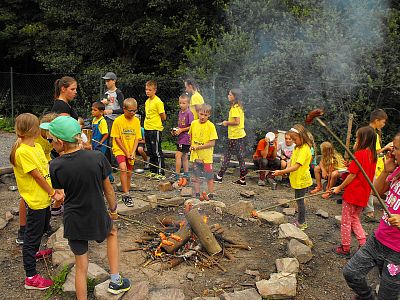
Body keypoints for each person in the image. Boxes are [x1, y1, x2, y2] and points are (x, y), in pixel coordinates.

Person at [44, 116, 131, 298]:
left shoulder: (55, 165)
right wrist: (113, 209)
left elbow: (60, 195)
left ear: (60, 142)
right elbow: (108, 190)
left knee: (81, 266)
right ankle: (116, 281)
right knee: (112, 232)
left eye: (50, 139)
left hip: (74, 219)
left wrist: (56, 204)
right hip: (97, 212)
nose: (50, 142)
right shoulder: (97, 157)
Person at [342, 132, 400, 300]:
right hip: (378, 240)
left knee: (387, 296)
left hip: (397, 252)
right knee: (351, 273)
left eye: (396, 149)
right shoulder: (396, 171)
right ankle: (368, 297)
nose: (392, 152)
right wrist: (385, 172)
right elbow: (378, 192)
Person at [10, 113, 64, 290]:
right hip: (35, 201)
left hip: (44, 198)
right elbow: (37, 176)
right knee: (31, 237)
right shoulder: (22, 151)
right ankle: (30, 277)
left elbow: (46, 168)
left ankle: (35, 253)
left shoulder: (37, 147)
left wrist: (55, 188)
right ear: (33, 129)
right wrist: (53, 193)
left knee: (41, 228)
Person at [332, 126, 377, 256]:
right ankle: (363, 244)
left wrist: (339, 187)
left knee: (346, 221)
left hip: (353, 194)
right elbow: (361, 170)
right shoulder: (372, 156)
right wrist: (350, 164)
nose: (355, 141)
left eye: (357, 138)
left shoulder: (360, 153)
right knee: (355, 218)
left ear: (363, 139)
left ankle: (345, 247)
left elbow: (352, 174)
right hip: (363, 194)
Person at [16, 112, 59, 245]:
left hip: (42, 165)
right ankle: (23, 230)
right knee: (27, 198)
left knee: (43, 200)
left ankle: (45, 226)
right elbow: (35, 174)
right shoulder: (34, 141)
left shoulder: (43, 143)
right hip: (32, 169)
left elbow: (47, 155)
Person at [272, 124, 313, 230]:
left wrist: (282, 172)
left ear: (302, 136)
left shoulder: (305, 149)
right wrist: (285, 170)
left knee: (300, 201)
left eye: (295, 139)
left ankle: (302, 222)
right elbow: (291, 161)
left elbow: (296, 166)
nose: (294, 141)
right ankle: (301, 220)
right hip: (296, 178)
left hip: (302, 179)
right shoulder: (297, 147)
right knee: (298, 200)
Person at [111, 98, 141, 207]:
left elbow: (137, 138)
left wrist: (132, 152)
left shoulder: (136, 121)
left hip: (131, 149)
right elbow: (117, 139)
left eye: (135, 111)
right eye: (130, 111)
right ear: (124, 109)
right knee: (123, 168)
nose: (133, 113)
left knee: (129, 173)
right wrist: (126, 152)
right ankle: (126, 194)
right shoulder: (118, 121)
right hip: (120, 149)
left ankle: (126, 192)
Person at [214, 89, 247, 185]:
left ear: (234, 97)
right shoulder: (238, 107)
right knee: (241, 158)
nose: (228, 96)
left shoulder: (234, 109)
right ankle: (242, 179)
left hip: (235, 136)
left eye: (230, 94)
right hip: (240, 135)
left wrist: (226, 123)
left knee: (227, 156)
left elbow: (237, 122)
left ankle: (219, 176)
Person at [365, 109, 392, 221]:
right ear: (377, 120)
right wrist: (386, 147)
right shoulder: (372, 134)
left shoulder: (367, 131)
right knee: (371, 187)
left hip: (371, 164)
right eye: (383, 121)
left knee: (370, 186)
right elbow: (373, 152)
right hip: (372, 165)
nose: (384, 124)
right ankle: (370, 212)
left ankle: (368, 210)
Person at [189, 104, 218, 200]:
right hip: (195, 156)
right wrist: (191, 146)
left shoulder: (211, 126)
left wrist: (198, 147)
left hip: (206, 157)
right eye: (201, 114)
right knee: (196, 175)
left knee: (209, 176)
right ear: (198, 113)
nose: (202, 117)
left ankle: (210, 194)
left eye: (205, 115)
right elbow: (191, 136)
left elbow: (212, 143)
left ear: (209, 115)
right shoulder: (193, 123)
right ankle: (197, 194)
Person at [100, 72, 124, 168]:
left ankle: (116, 164)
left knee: (113, 141)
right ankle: (108, 163)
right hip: (106, 119)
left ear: (114, 81)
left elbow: (123, 109)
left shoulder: (118, 93)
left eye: (108, 80)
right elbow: (102, 106)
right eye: (105, 81)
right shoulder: (106, 93)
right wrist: (103, 104)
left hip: (116, 120)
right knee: (105, 140)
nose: (106, 83)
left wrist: (111, 111)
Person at [144, 80, 166, 180]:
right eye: (146, 89)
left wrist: (155, 123)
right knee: (150, 151)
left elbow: (163, 116)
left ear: (155, 90)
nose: (147, 91)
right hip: (147, 128)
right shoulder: (147, 102)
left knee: (157, 151)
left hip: (155, 129)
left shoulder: (158, 102)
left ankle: (161, 172)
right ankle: (152, 171)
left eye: (150, 90)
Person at [170, 93, 194, 181]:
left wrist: (181, 130)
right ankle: (186, 173)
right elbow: (180, 125)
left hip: (186, 138)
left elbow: (191, 126)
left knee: (177, 155)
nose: (181, 105)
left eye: (184, 103)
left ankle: (177, 174)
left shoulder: (189, 113)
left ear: (188, 104)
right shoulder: (180, 112)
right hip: (180, 137)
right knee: (184, 156)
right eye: (180, 103)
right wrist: (176, 130)